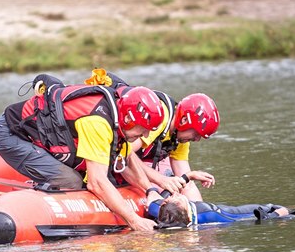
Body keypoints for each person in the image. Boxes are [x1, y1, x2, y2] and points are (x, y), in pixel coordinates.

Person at [0, 73, 166, 231]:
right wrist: (134, 220)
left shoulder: (117, 121)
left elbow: (124, 163)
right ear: (128, 119)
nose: (144, 136)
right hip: (12, 134)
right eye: (143, 129)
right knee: (72, 181)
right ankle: (33, 205)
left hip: (36, 134)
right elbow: (96, 182)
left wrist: (150, 190)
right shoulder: (97, 122)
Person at [83, 68, 220, 201]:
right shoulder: (158, 120)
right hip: (101, 146)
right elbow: (123, 154)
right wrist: (160, 181)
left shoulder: (180, 137)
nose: (196, 139)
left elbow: (187, 184)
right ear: (184, 120)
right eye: (196, 133)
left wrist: (199, 211)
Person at [144, 171, 295, 227]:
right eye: (179, 199)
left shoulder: (158, 210)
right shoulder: (210, 214)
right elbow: (243, 219)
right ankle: (289, 212)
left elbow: (152, 196)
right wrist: (276, 216)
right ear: (186, 210)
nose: (177, 194)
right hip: (227, 212)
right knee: (268, 207)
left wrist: (189, 176)